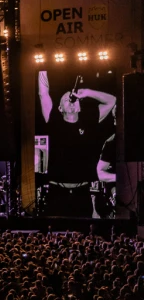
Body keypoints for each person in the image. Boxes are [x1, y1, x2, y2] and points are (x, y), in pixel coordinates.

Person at [38, 70, 116, 217]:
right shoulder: (54, 121)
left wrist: (87, 92)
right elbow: (43, 93)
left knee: (83, 229)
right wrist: (42, 68)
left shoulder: (89, 122)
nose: (72, 101)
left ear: (80, 107)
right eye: (67, 100)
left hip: (82, 192)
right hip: (57, 193)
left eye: (75, 100)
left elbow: (111, 100)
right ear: (60, 108)